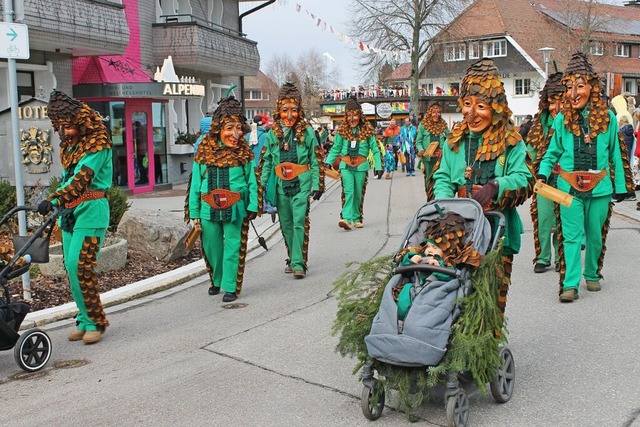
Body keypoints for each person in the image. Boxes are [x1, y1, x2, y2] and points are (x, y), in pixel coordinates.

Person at [432, 58, 534, 315]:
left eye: (481, 106)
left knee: (492, 294)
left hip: (497, 226)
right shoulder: (454, 141)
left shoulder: (511, 141)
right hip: (460, 226)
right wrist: (445, 206)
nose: (472, 113)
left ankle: (488, 346)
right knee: (458, 290)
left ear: (496, 108)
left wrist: (496, 185)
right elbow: (443, 176)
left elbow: (524, 177)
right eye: (467, 104)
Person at [537, 52, 634, 302]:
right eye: (570, 87)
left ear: (591, 87)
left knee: (594, 235)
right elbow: (551, 153)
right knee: (570, 236)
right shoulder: (561, 119)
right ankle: (569, 284)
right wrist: (543, 174)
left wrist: (621, 187)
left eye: (579, 86)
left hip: (600, 188)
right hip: (569, 188)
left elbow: (616, 154)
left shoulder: (609, 118)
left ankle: (591, 273)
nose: (573, 93)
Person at [38, 90, 113, 344]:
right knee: (72, 269)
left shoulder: (99, 143)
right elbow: (67, 178)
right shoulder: (71, 145)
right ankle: (84, 318)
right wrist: (60, 205)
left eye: (68, 126)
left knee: (80, 266)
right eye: (61, 127)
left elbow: (82, 178)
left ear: (80, 121)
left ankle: (96, 321)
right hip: (70, 212)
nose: (65, 132)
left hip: (92, 210)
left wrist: (54, 198)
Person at [186, 94, 259, 302]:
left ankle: (230, 285)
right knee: (212, 247)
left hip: (236, 206)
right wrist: (194, 212)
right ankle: (217, 279)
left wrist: (253, 204)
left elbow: (252, 181)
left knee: (233, 245)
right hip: (208, 207)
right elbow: (195, 185)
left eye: (238, 128)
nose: (235, 134)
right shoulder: (203, 151)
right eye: (229, 128)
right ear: (219, 129)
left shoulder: (244, 152)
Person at [260, 82, 324, 279]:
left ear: (300, 111)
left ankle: (298, 263)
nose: (289, 115)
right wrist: (261, 186)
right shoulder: (272, 134)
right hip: (280, 185)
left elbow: (315, 159)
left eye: (294, 110)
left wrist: (317, 184)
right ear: (279, 110)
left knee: (299, 221)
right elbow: (267, 162)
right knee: (286, 224)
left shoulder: (307, 133)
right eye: (285, 110)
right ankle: (293, 256)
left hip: (301, 184)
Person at [393, 212, 482, 321]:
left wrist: (439, 268)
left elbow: (452, 278)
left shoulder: (449, 265)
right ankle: (402, 320)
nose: (429, 250)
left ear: (446, 251)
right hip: (415, 290)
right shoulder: (422, 256)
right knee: (405, 292)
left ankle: (416, 321)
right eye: (428, 246)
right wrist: (410, 259)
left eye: (435, 248)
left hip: (435, 294)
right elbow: (405, 271)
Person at [526, 72, 564, 274]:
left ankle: (561, 257)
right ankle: (543, 256)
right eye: (552, 101)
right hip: (544, 179)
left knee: (563, 219)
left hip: (565, 178)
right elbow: (530, 149)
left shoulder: (570, 121)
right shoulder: (540, 122)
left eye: (560, 101)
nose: (556, 107)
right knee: (543, 218)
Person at [325, 97, 382, 231]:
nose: (352, 118)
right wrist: (328, 162)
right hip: (346, 166)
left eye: (355, 115)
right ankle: (346, 218)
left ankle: (357, 217)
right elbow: (336, 148)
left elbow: (375, 149)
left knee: (358, 193)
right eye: (349, 115)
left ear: (360, 115)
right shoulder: (342, 130)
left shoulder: (367, 129)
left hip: (361, 166)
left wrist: (378, 166)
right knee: (349, 191)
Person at [415, 100, 449, 199]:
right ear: (430, 112)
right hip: (428, 160)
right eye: (434, 112)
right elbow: (418, 141)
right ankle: (430, 201)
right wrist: (422, 151)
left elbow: (450, 138)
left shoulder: (443, 124)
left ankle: (439, 200)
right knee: (429, 181)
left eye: (438, 112)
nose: (436, 115)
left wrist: (444, 150)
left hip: (441, 160)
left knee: (440, 180)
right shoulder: (423, 125)